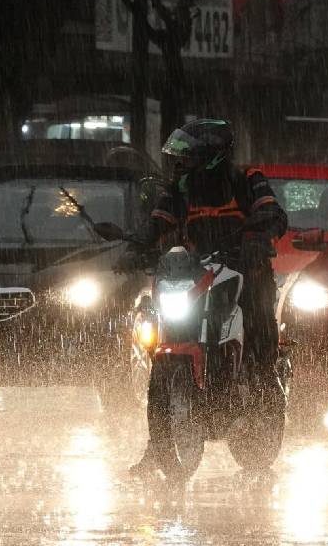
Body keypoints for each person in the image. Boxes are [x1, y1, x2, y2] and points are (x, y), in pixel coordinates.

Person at [119, 118, 288, 476]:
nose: (179, 166)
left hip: (247, 274)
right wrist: (137, 246)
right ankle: (158, 447)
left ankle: (261, 395)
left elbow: (271, 212)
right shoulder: (180, 188)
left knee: (258, 334)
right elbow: (158, 221)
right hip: (196, 276)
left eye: (186, 158)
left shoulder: (247, 180)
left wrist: (258, 238)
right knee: (164, 348)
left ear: (211, 158)